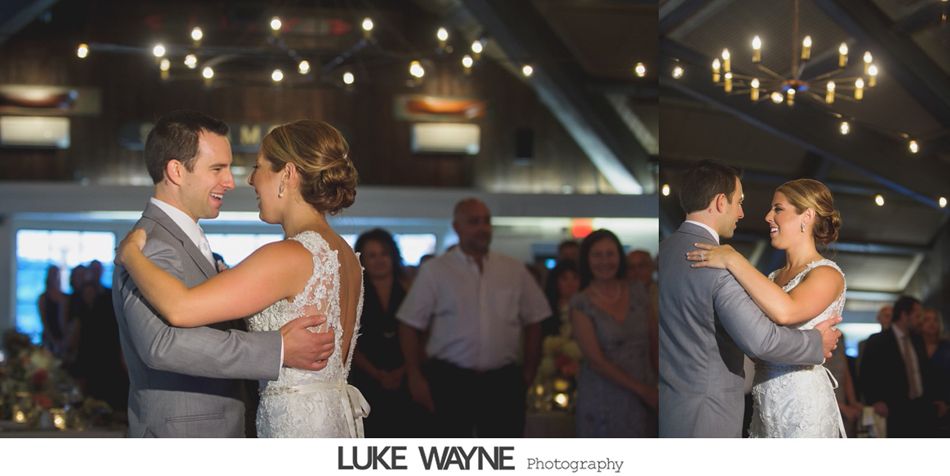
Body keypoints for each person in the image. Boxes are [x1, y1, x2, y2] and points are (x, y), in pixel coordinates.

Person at [112, 111, 337, 438]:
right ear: (176, 171)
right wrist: (278, 349)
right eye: (217, 169)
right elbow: (162, 345)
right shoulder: (150, 245)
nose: (231, 182)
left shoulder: (180, 239)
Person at [658, 160, 840, 438]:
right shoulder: (755, 274)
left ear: (807, 217)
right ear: (721, 202)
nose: (765, 216)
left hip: (801, 406)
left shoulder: (827, 273)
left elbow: (785, 313)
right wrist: (815, 343)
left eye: (778, 209)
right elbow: (757, 340)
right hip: (755, 405)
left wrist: (733, 258)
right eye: (739, 202)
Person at [396, 198, 549, 437]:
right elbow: (408, 323)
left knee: (504, 457)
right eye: (474, 221)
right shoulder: (436, 270)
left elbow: (536, 319)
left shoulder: (513, 269)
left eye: (487, 221)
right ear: (457, 227)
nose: (482, 227)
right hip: (450, 380)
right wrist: (415, 376)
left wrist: (529, 370)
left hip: (502, 380)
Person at [571, 229, 657, 437]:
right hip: (603, 394)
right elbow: (596, 362)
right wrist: (642, 391)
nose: (604, 261)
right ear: (587, 260)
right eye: (597, 255)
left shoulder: (638, 291)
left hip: (646, 390)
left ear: (619, 256)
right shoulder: (581, 303)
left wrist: (659, 386)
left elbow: (654, 342)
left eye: (610, 254)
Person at [350, 228, 426, 437]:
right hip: (367, 376)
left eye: (384, 254)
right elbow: (349, 339)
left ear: (393, 255)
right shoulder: (354, 292)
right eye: (372, 255)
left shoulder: (410, 288)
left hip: (408, 375)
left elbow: (422, 335)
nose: (379, 260)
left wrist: (405, 370)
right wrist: (377, 374)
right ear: (362, 259)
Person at [860, 296, 940, 436]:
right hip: (894, 410)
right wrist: (875, 400)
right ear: (904, 315)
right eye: (917, 315)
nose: (920, 320)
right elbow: (866, 373)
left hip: (922, 408)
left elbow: (926, 372)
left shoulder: (917, 339)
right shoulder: (878, 341)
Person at [540, 260, 581, 338]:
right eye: (564, 278)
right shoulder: (547, 308)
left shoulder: (586, 307)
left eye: (575, 278)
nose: (570, 283)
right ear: (555, 281)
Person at [37, 265, 69, 356]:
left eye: (56, 274)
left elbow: (65, 320)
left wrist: (65, 339)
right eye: (52, 274)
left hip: (63, 337)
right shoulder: (43, 298)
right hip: (49, 336)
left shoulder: (65, 297)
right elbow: (44, 320)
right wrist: (52, 340)